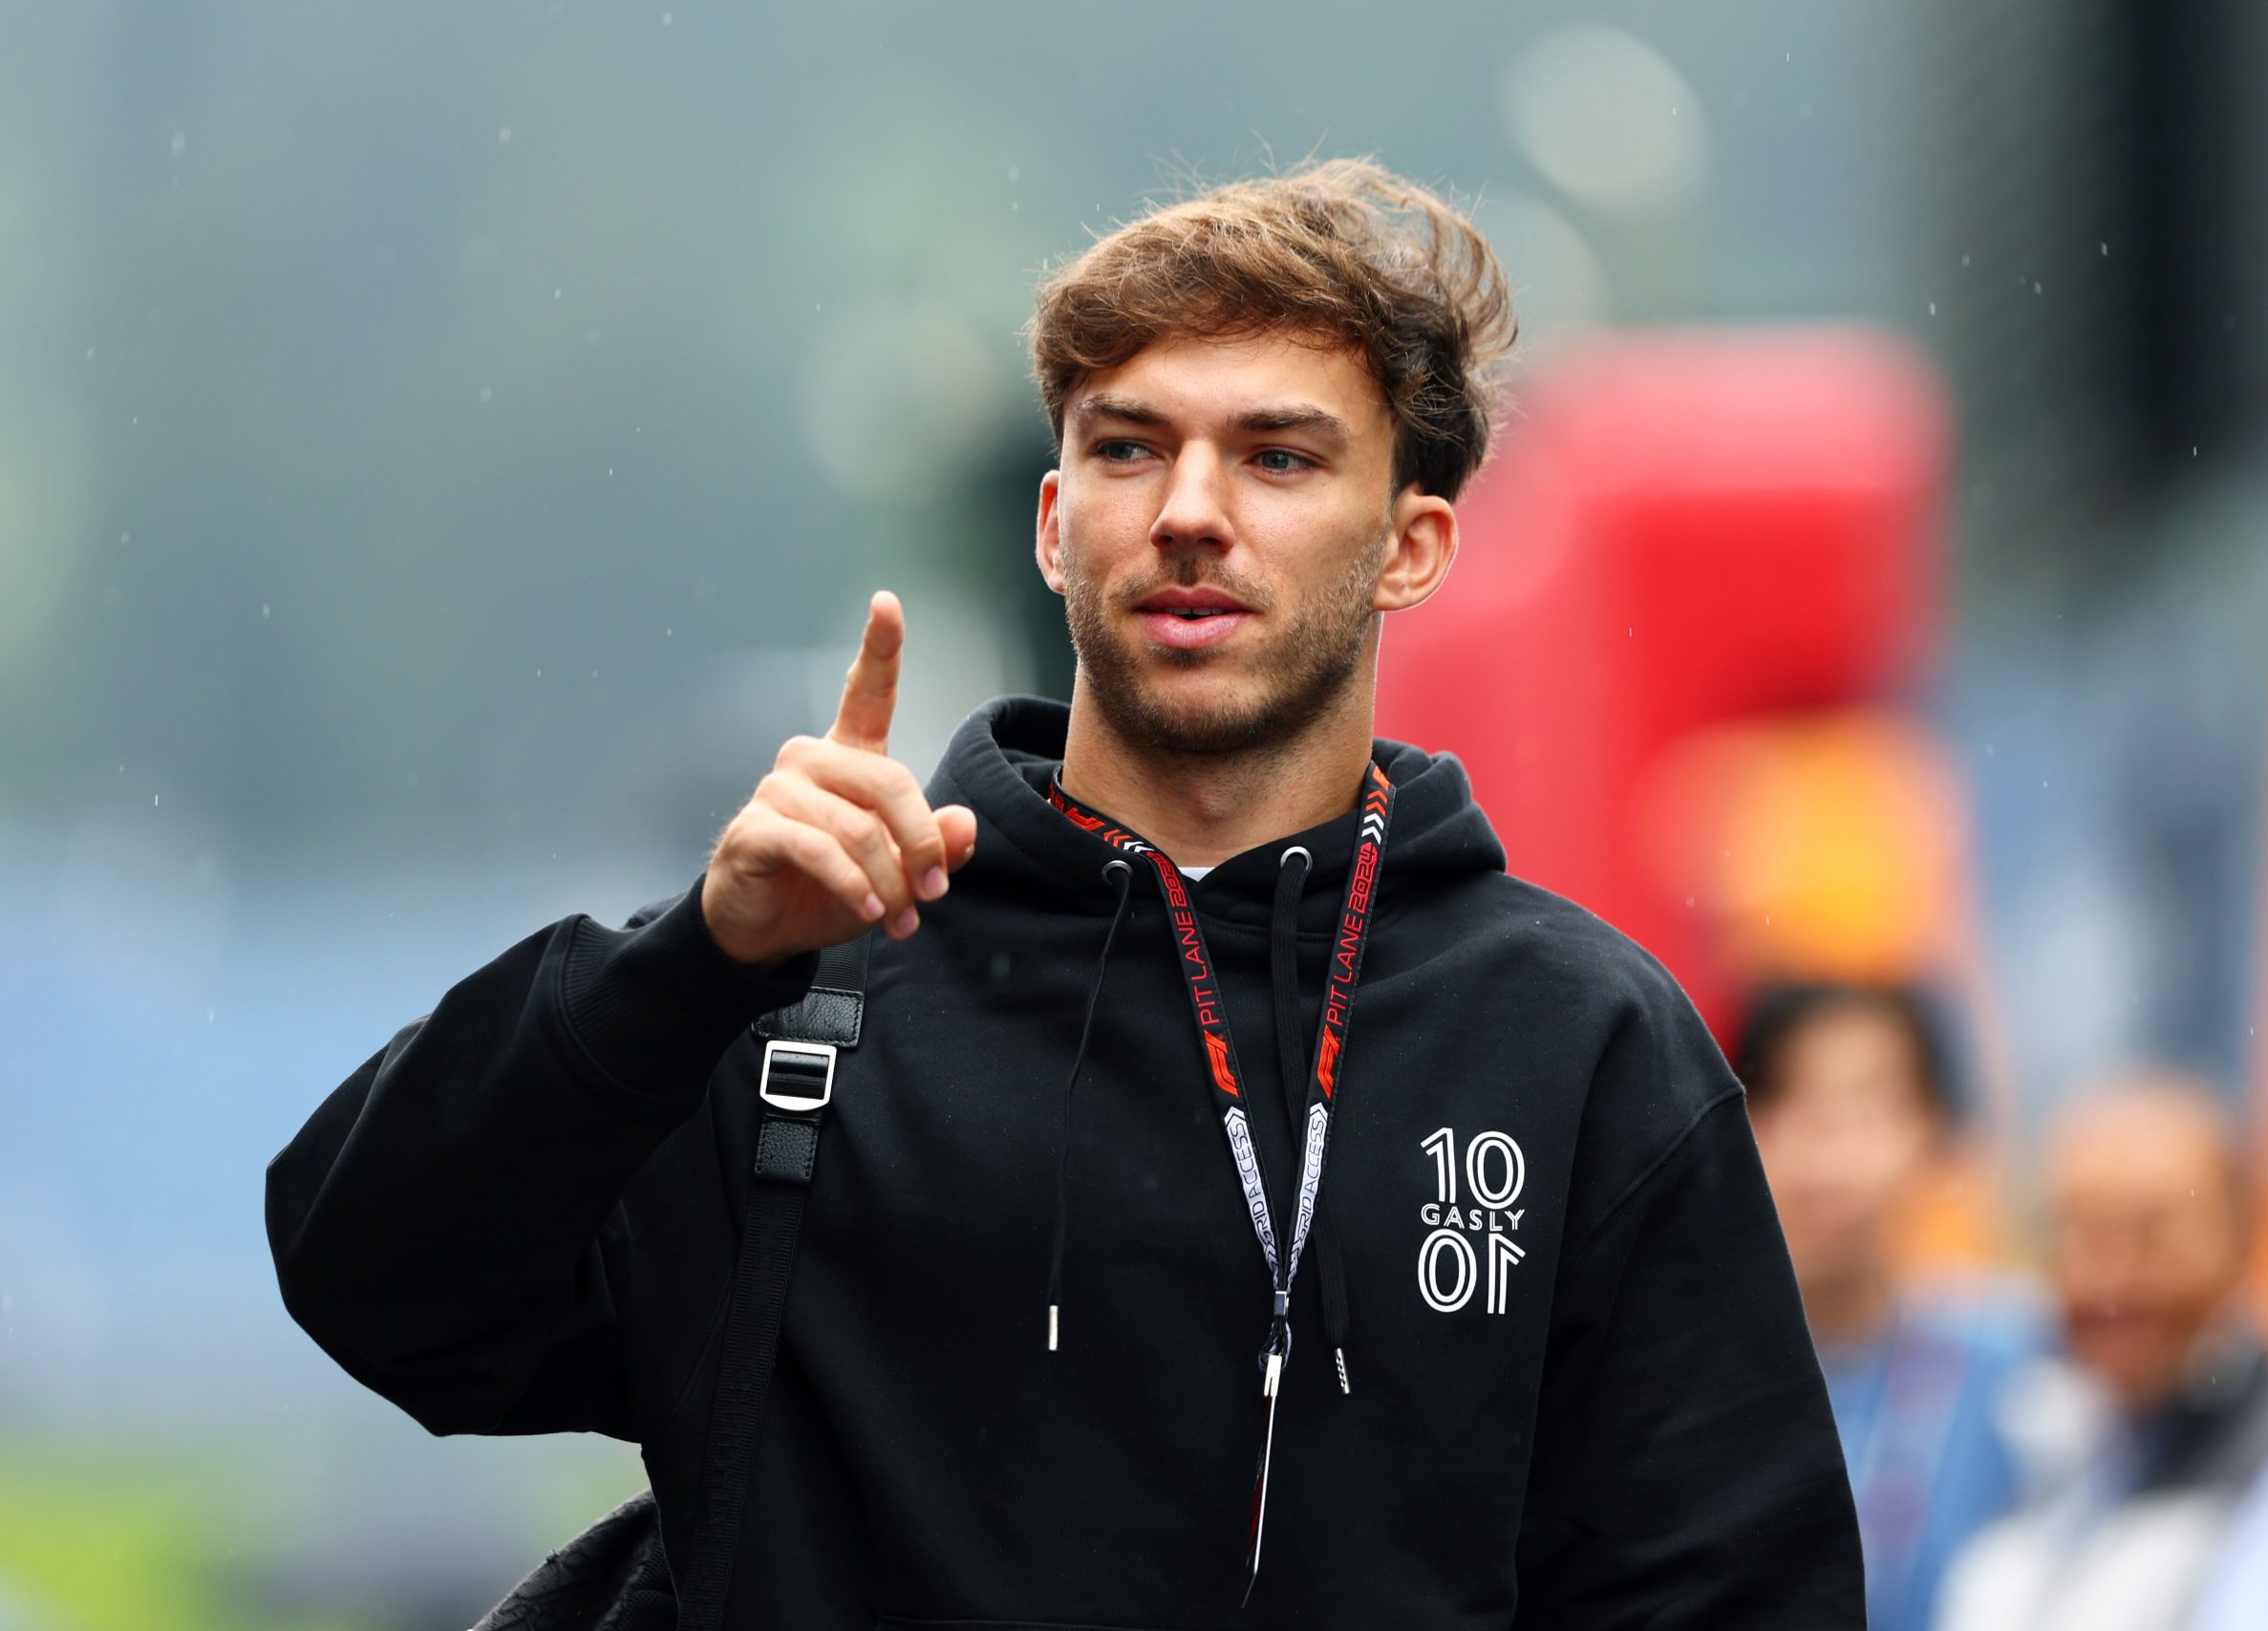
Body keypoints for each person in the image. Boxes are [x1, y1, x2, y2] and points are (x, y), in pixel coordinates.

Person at [267, 159, 1863, 1627]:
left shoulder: (1582, 1043)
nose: (1188, 507)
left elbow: (1731, 1591)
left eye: (1278, 455)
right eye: (1127, 446)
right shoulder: (802, 992)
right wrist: (690, 957)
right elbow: (374, 1279)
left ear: (1412, 544)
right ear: (1052, 524)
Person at [1934, 1075, 2268, 1631]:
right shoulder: (2030, 1465)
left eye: (2151, 1235)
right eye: (2078, 1233)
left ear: (2249, 1237)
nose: (2110, 1280)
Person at [1741, 982, 2041, 1631]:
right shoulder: (1672, 1375)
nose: (1827, 1153)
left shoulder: (2019, 1363)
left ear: (1941, 1137)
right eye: (1789, 1100)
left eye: (1869, 1105)